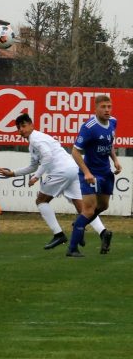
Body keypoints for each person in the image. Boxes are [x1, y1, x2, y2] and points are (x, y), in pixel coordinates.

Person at [0, 113, 112, 251]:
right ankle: (103, 233)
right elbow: (33, 166)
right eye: (18, 128)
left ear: (31, 125)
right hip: (73, 169)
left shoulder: (36, 139)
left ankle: (59, 234)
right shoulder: (34, 142)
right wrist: (12, 173)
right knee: (84, 209)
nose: (21, 130)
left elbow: (48, 157)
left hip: (61, 171)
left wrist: (36, 176)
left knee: (41, 201)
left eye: (23, 126)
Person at [66, 95, 121, 257]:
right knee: (89, 210)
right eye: (103, 107)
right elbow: (75, 152)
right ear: (96, 108)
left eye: (109, 106)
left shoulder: (113, 122)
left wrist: (115, 160)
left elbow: (110, 144)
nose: (107, 110)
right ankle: (72, 248)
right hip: (91, 174)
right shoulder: (89, 127)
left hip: (105, 172)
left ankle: (79, 225)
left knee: (103, 206)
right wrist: (86, 172)